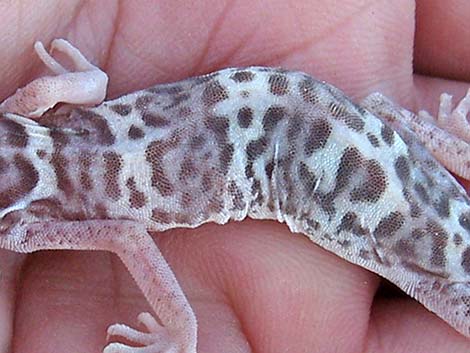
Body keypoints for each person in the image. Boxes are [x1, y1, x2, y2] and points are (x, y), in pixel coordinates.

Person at [1, 1, 469, 352]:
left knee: (386, 121)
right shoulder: (14, 120)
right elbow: (83, 88)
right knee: (385, 115)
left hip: (314, 138)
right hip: (305, 118)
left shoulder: (20, 226)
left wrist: (181, 331)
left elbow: (127, 234)